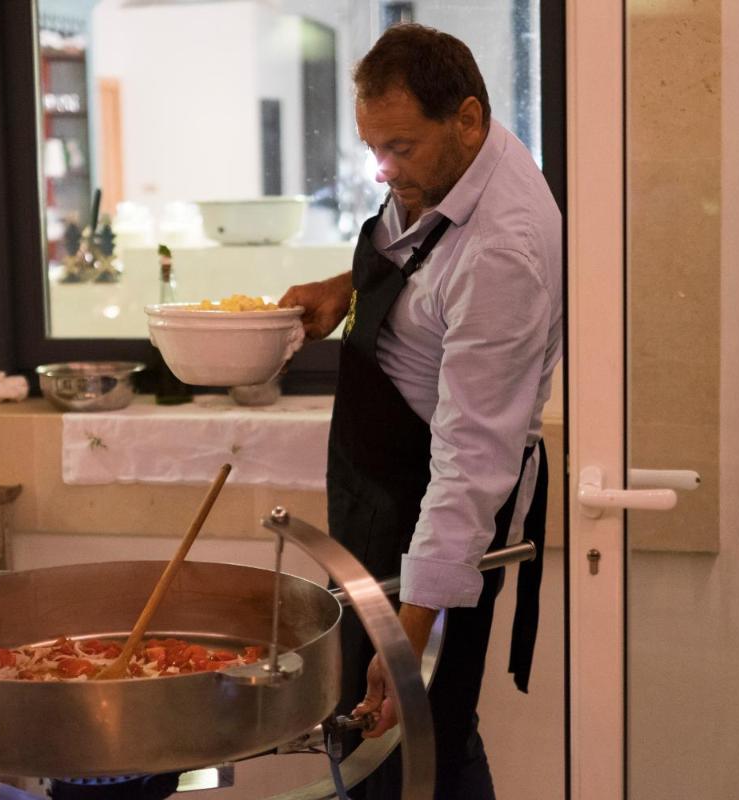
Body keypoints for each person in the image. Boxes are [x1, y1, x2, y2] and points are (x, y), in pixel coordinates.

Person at [279, 23, 562, 799]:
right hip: (383, 485)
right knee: (418, 737)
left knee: (402, 742)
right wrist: (346, 287)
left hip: (435, 506)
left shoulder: (504, 253)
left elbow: (471, 462)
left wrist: (409, 630)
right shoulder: (445, 169)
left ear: (467, 118)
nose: (383, 169)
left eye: (399, 148)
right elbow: (421, 260)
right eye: (373, 147)